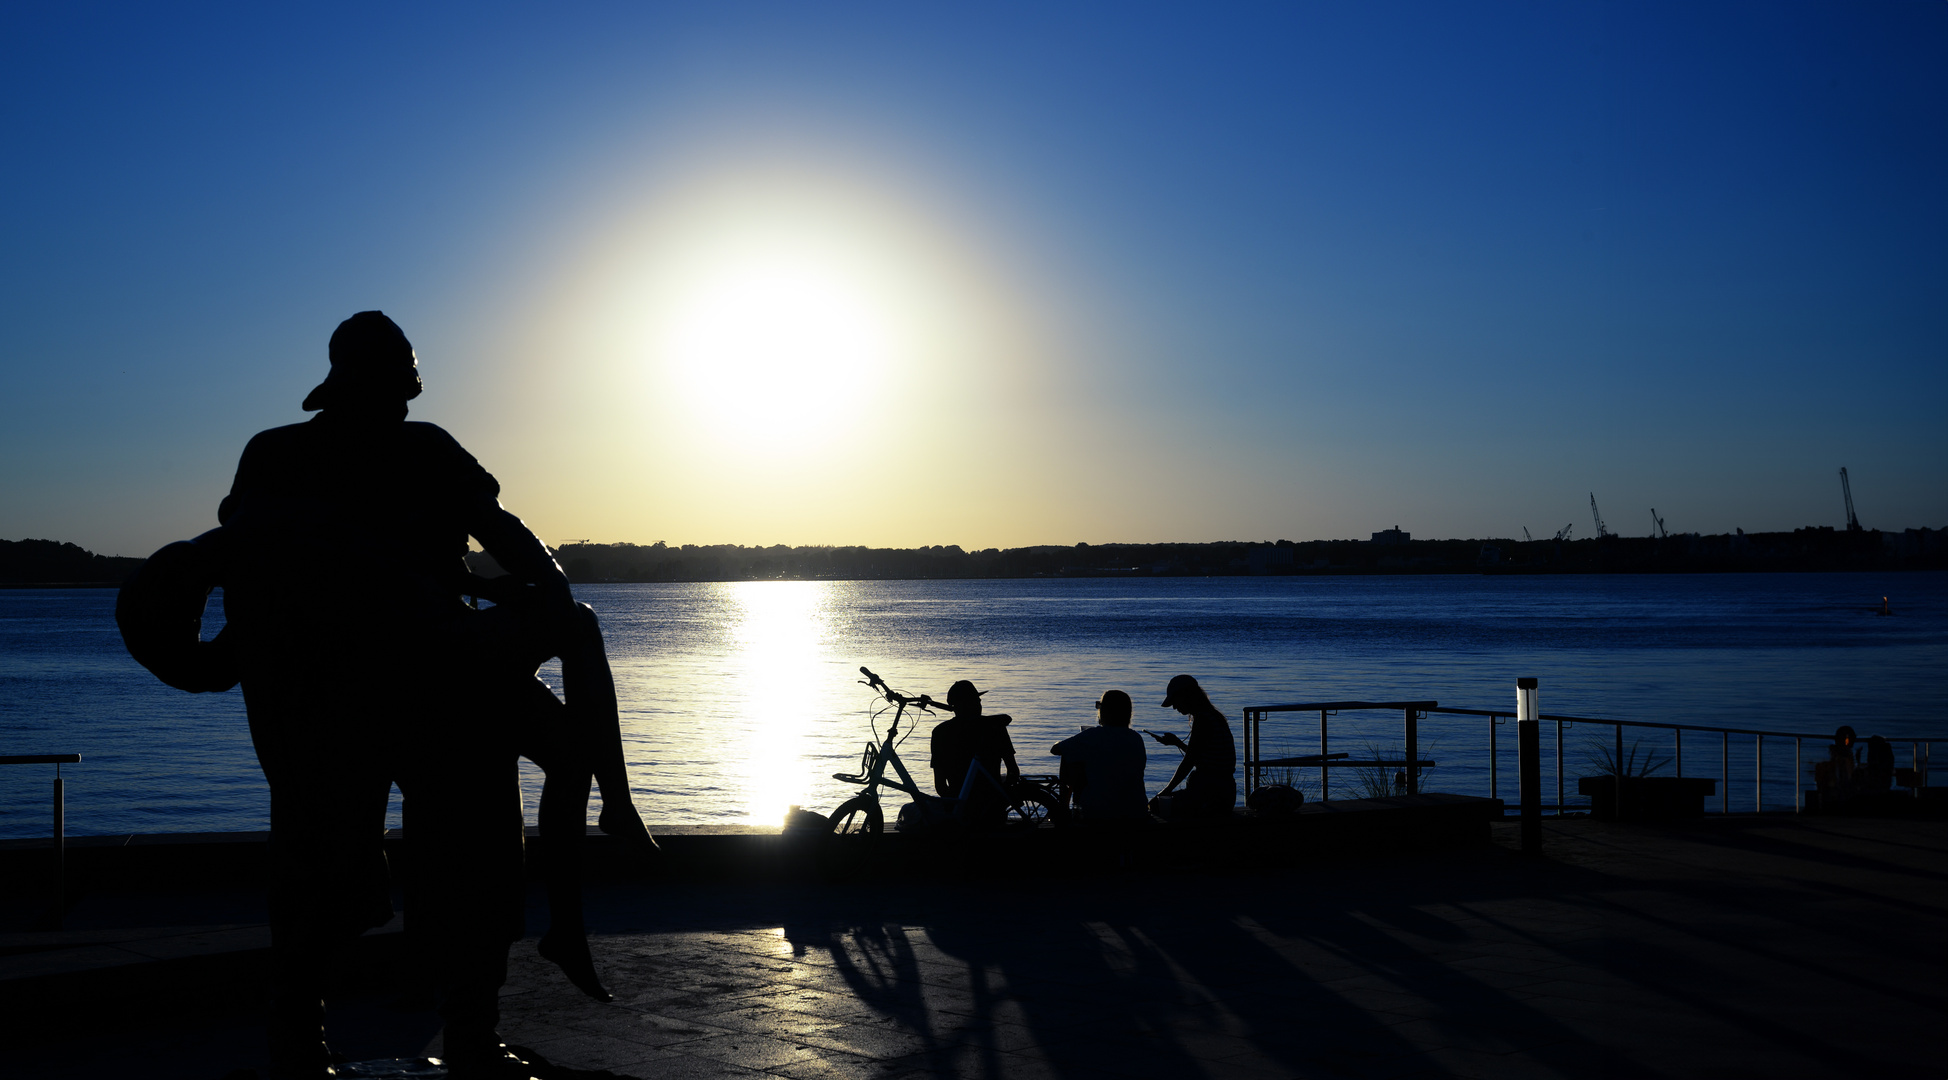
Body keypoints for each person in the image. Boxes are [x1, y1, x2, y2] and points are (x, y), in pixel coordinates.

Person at [216, 310, 645, 1078]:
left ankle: (464, 1037)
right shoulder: (286, 455)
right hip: (348, 689)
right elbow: (245, 564)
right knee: (331, 871)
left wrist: (534, 590)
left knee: (475, 858)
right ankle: (312, 1042)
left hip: (423, 686)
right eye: (405, 368)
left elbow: (507, 535)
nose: (416, 382)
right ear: (369, 377)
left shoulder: (411, 449)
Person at [1051, 690, 1148, 823]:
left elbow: (1055, 749)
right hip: (1136, 810)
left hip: (1098, 812)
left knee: (1069, 758)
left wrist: (1062, 743)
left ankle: (1064, 809)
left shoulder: (1092, 736)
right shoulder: (1136, 738)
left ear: (1105, 711)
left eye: (1099, 706)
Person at [1150, 674, 1237, 821]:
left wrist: (1164, 792)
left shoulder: (1202, 720)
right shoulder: (1213, 716)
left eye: (1175, 701)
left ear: (1186, 696)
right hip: (1225, 792)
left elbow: (1189, 762)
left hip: (1210, 795)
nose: (1174, 707)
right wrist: (1178, 743)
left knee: (1157, 806)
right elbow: (1203, 758)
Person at [929, 679, 1020, 821]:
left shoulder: (940, 732)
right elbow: (1013, 771)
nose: (979, 704)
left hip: (959, 809)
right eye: (977, 700)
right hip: (993, 810)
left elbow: (940, 786)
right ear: (968, 704)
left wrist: (955, 808)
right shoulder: (995, 727)